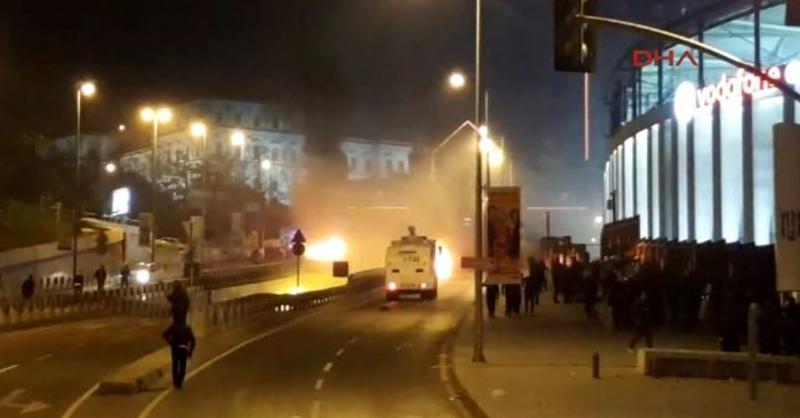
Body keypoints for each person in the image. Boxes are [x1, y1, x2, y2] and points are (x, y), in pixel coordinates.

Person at [162, 319, 196, 389]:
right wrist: (190, 351)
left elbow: (164, 334)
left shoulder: (173, 327)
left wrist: (170, 341)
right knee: (182, 366)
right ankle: (180, 382)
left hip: (175, 348)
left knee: (175, 365)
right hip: (184, 348)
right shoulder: (187, 328)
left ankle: (175, 381)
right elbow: (193, 340)